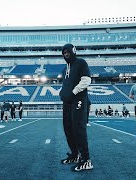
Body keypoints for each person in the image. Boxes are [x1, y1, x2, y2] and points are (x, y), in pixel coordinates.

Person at [59, 43, 93, 172]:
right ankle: (75, 154)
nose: (66, 55)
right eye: (64, 53)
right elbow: (66, 84)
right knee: (68, 128)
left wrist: (73, 92)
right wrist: (62, 93)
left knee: (78, 129)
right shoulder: (64, 69)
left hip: (79, 99)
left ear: (73, 51)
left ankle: (86, 159)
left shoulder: (81, 63)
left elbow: (86, 80)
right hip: (67, 102)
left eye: (68, 52)